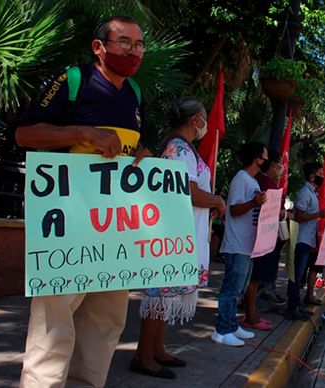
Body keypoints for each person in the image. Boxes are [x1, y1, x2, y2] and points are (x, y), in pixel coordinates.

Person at [16, 16, 149, 387]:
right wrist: (83, 132)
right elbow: (25, 134)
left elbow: (132, 147)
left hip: (114, 229)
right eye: (123, 42)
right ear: (99, 47)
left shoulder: (135, 94)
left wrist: (142, 153)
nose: (132, 51)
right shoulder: (75, 80)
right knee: (53, 326)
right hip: (69, 225)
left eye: (139, 44)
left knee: (105, 323)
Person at [132, 98, 226, 378]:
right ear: (195, 119)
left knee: (168, 294)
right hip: (171, 232)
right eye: (204, 117)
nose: (206, 124)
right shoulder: (176, 149)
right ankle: (143, 354)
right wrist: (217, 201)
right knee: (159, 294)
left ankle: (157, 348)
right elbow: (189, 191)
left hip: (185, 231)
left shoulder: (185, 149)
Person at [212, 141, 267, 347]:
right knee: (231, 288)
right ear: (256, 158)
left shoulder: (252, 181)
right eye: (264, 156)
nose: (266, 160)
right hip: (236, 244)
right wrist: (255, 202)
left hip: (247, 244)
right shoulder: (241, 179)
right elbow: (233, 209)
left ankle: (232, 324)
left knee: (239, 288)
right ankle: (222, 329)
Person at [242, 150, 288, 330]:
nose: (281, 169)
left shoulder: (268, 182)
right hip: (259, 236)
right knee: (254, 277)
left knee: (257, 276)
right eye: (278, 165)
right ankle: (250, 314)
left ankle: (251, 313)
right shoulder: (261, 181)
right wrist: (283, 213)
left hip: (265, 235)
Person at [287, 162, 325, 321]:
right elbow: (298, 216)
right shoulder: (305, 192)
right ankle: (293, 307)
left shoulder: (314, 193)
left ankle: (297, 306)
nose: (322, 176)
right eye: (320, 173)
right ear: (312, 176)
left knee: (300, 275)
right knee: (296, 276)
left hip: (308, 239)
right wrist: (319, 214)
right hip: (301, 239)